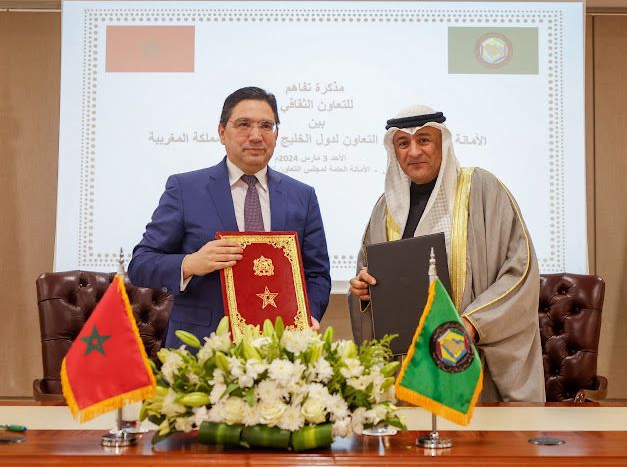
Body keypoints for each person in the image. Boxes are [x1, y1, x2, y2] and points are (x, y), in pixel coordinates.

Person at [348, 105, 545, 402]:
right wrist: (364, 292)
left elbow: (520, 270)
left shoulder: (482, 190)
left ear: (443, 143)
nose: (414, 151)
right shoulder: (385, 209)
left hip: (469, 357)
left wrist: (473, 323)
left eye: (424, 140)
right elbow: (367, 276)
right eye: (403, 143)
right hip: (410, 365)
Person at [129, 87, 331, 348]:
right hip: (202, 348)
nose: (256, 136)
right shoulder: (185, 189)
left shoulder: (302, 196)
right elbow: (141, 264)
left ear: (276, 134)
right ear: (222, 132)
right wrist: (190, 263)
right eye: (244, 124)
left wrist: (309, 315)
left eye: (266, 126)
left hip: (281, 347)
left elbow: (317, 274)